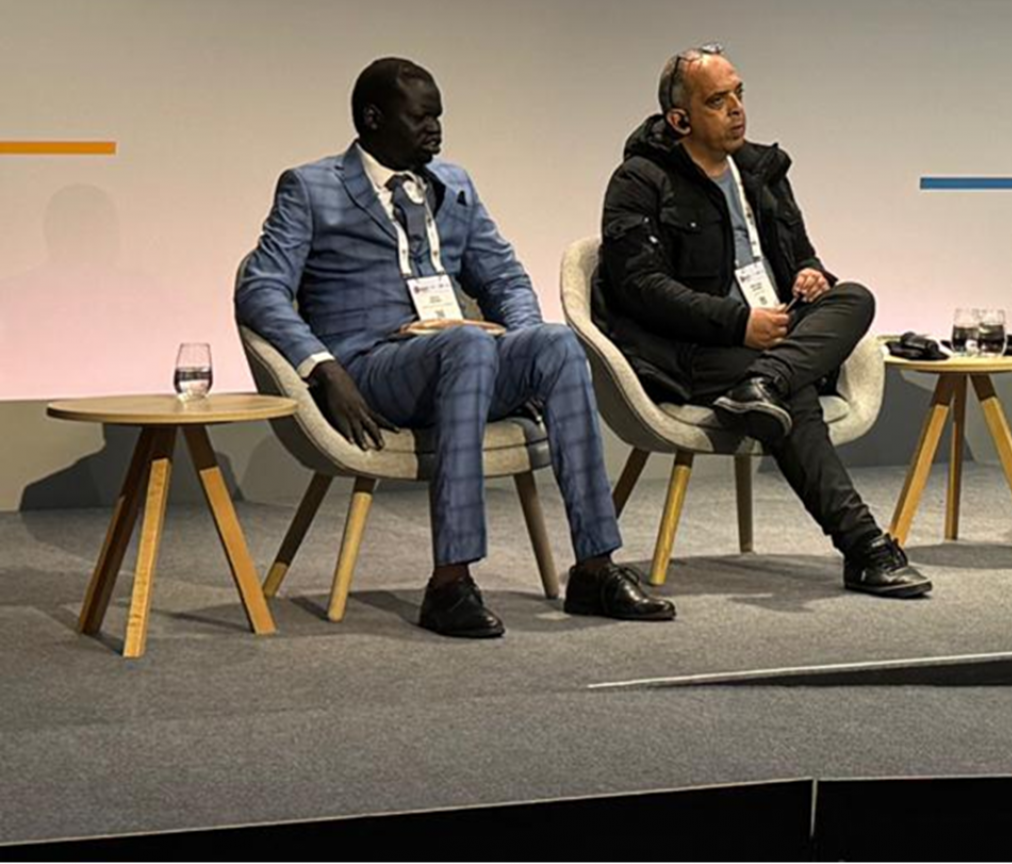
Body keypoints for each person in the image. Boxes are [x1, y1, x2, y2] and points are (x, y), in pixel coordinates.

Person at [235, 59, 675, 638]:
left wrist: (518, 339)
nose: (436, 130)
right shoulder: (311, 187)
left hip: (462, 359)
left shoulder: (455, 185)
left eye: (439, 116)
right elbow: (259, 287)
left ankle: (594, 567)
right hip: (371, 367)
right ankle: (450, 582)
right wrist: (321, 366)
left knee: (557, 345)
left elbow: (506, 279)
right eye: (421, 117)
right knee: (466, 343)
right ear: (372, 119)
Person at [592, 46, 932, 597]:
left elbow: (803, 253)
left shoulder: (762, 172)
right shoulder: (639, 180)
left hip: (772, 333)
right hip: (691, 349)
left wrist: (810, 274)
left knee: (855, 298)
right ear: (680, 119)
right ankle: (866, 547)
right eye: (717, 100)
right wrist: (736, 322)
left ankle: (764, 382)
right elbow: (639, 289)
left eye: (739, 95)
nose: (737, 110)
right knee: (791, 394)